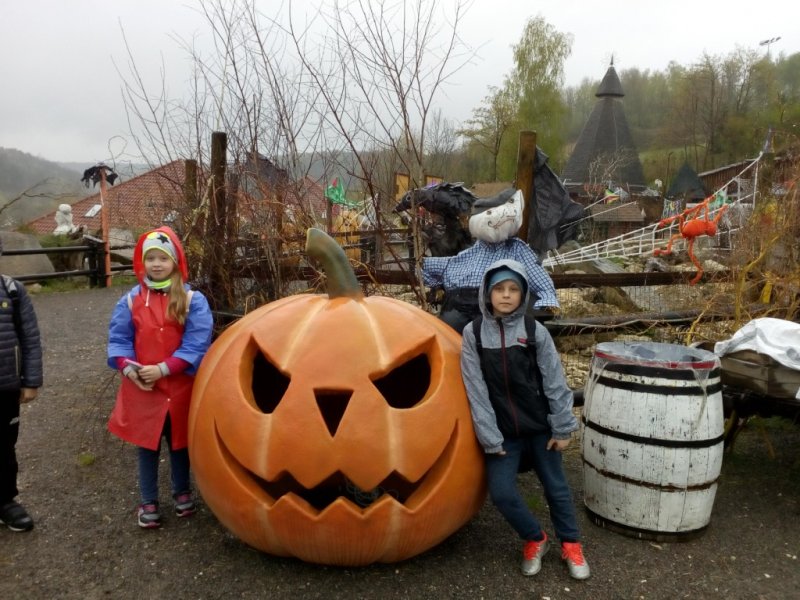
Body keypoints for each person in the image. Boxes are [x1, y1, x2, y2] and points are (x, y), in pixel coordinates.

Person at [460, 259, 590, 580]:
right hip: (504, 434)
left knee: (556, 488)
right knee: (502, 492)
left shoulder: (535, 332)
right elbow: (475, 390)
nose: (506, 295)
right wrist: (490, 438)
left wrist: (562, 428)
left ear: (523, 294)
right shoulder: (473, 334)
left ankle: (571, 544)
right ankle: (535, 538)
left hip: (541, 428)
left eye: (513, 289)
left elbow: (555, 382)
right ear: (487, 293)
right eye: (499, 289)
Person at [107, 227, 213, 529]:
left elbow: (196, 343)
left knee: (180, 443)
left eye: (162, 258)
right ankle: (148, 500)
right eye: (150, 258)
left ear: (175, 262)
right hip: (144, 388)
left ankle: (182, 492)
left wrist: (165, 368)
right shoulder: (130, 301)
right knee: (147, 445)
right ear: (142, 262)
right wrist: (129, 368)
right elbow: (118, 341)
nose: (156, 263)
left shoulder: (193, 300)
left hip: (180, 387)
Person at [422, 189, 558, 333]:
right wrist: (420, 265)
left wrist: (546, 301)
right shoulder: (471, 252)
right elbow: (448, 264)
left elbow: (538, 276)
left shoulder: (517, 249)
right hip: (460, 304)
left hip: (497, 307)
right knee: (450, 331)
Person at [0, 240, 43, 532]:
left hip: (6, 387)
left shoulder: (12, 291)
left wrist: (30, 381)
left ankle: (5, 501)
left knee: (4, 446)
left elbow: (29, 338)